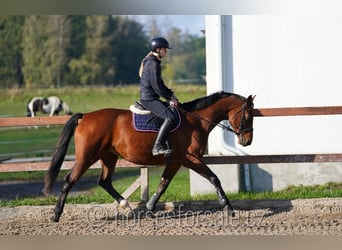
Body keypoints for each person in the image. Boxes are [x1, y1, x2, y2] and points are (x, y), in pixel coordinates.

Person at [139, 37, 179, 156]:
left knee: (173, 111)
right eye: (164, 50)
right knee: (170, 117)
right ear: (158, 49)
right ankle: (157, 147)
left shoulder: (152, 62)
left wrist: (171, 95)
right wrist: (169, 99)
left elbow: (160, 83)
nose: (166, 52)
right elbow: (156, 86)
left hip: (151, 97)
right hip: (149, 99)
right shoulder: (153, 64)